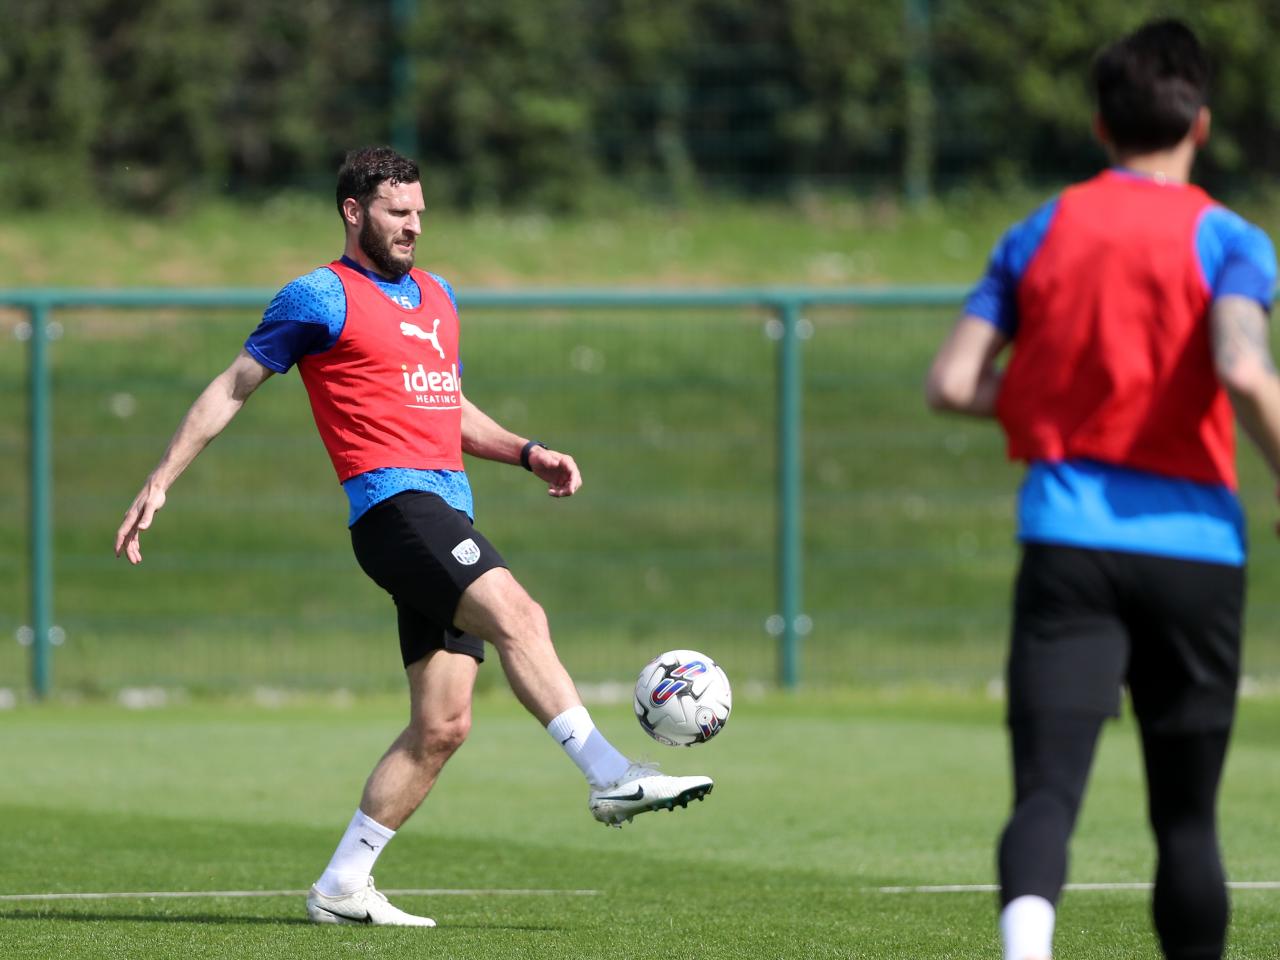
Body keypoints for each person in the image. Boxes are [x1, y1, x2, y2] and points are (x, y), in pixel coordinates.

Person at [114, 145, 714, 927]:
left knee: (443, 726)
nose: (413, 228)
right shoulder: (318, 296)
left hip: (445, 512)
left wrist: (527, 453)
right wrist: (162, 477)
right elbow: (234, 385)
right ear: (353, 212)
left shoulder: (438, 297)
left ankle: (342, 885)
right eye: (398, 214)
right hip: (392, 511)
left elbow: (448, 409)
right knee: (522, 618)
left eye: (420, 214)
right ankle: (608, 774)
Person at [925, 19, 1280, 960]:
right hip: (1198, 549)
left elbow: (953, 383)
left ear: (1098, 126)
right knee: (1188, 819)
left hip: (1068, 543)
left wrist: (1053, 409)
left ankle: (1027, 949)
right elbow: (1243, 369)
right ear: (1200, 125)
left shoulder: (1043, 228)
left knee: (1046, 789)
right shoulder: (1230, 237)